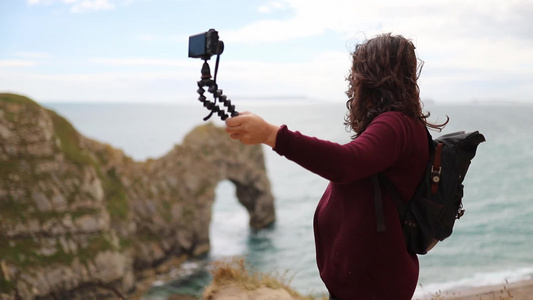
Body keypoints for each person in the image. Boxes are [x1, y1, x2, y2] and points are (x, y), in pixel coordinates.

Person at [225, 33, 446, 300]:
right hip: (365, 282)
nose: (352, 81)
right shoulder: (397, 124)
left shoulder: (395, 125)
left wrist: (272, 135)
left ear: (373, 77)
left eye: (357, 73)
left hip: (373, 286)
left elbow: (345, 163)